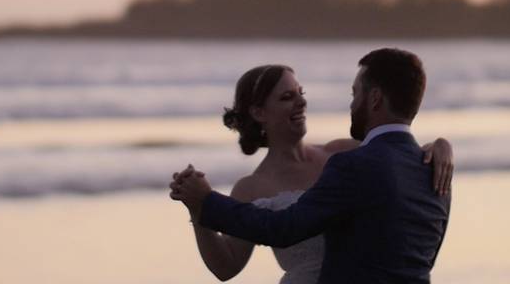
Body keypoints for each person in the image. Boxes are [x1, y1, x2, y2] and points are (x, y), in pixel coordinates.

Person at [171, 50, 452, 284]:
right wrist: (198, 210)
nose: (301, 101)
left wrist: (440, 145)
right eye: (287, 97)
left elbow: (394, 166)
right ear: (259, 113)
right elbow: (226, 266)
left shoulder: (346, 154)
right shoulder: (252, 186)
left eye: (300, 93)